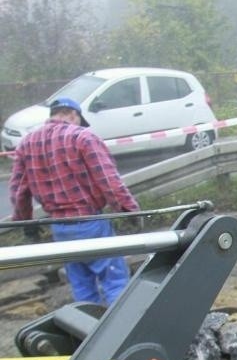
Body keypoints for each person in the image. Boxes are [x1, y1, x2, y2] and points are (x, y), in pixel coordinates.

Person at [9, 97, 140, 306]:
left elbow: (19, 191)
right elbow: (108, 180)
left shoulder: (27, 143)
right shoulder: (83, 137)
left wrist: (26, 224)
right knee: (114, 280)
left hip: (60, 228)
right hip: (90, 223)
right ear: (73, 115)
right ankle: (123, 330)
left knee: (82, 286)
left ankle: (89, 331)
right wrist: (128, 210)